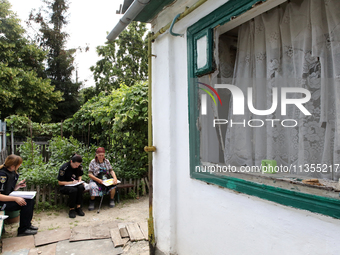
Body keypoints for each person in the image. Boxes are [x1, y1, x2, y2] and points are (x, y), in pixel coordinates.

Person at [0, 154, 38, 236]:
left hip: (7, 198)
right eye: (19, 164)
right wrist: (15, 199)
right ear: (13, 166)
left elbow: (7, 190)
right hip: (1, 203)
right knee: (25, 203)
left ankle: (27, 225)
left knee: (30, 200)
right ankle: (23, 230)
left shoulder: (12, 172)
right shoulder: (2, 175)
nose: (20, 165)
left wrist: (17, 186)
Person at [57, 154, 85, 218]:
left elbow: (80, 175)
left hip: (75, 184)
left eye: (78, 165)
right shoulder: (64, 168)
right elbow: (60, 182)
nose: (77, 166)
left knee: (81, 187)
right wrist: (71, 182)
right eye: (75, 165)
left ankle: (78, 207)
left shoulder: (79, 166)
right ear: (71, 162)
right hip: (65, 185)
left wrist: (80, 180)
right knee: (73, 190)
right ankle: (71, 209)